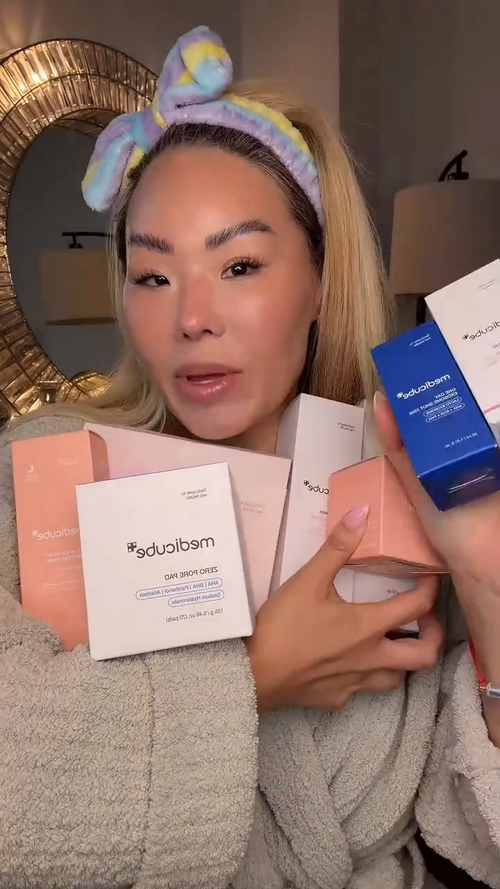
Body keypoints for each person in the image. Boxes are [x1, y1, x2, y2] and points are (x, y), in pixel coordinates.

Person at [1, 25, 500, 889]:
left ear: (319, 283)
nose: (191, 317)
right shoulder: (45, 473)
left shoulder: (404, 481)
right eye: (152, 275)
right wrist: (254, 675)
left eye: (238, 265)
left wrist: (486, 583)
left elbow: (474, 829)